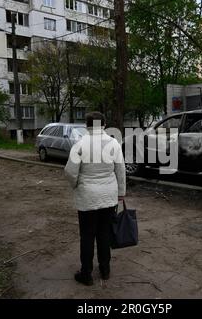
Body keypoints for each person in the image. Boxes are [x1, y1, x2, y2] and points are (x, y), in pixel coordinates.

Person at [64, 112, 126, 286]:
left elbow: (70, 172)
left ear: (87, 125)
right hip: (109, 196)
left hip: (87, 197)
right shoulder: (114, 143)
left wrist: (76, 184)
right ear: (104, 124)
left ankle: (86, 274)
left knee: (87, 235)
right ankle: (105, 270)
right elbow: (120, 170)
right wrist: (121, 192)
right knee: (104, 234)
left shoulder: (80, 144)